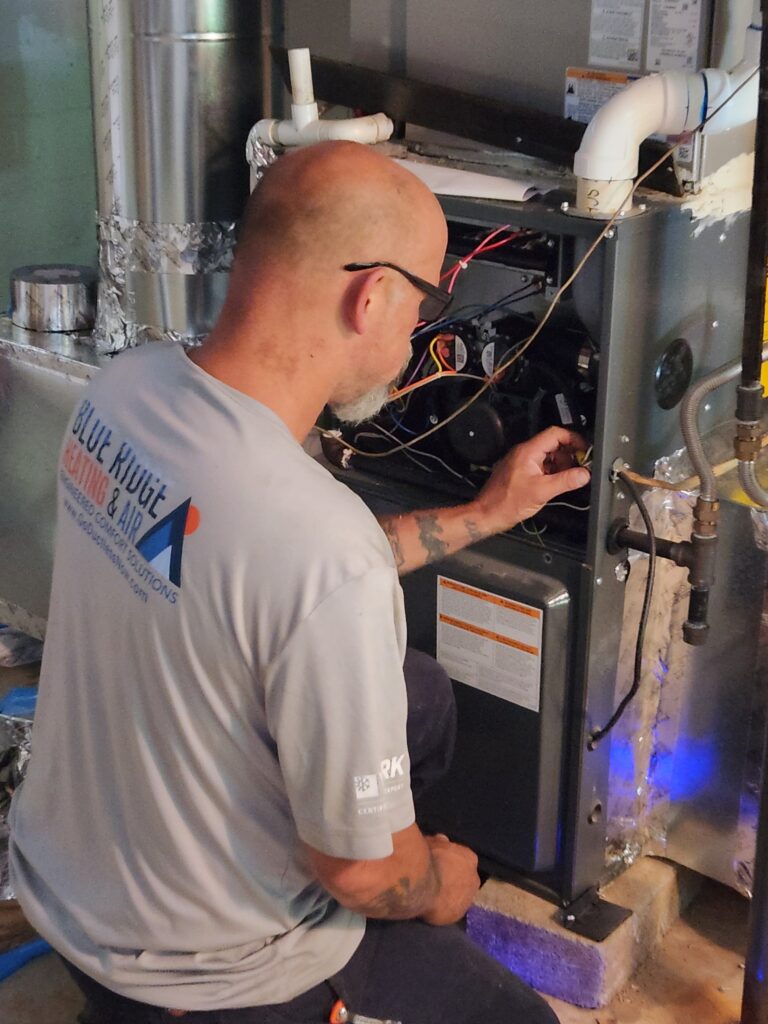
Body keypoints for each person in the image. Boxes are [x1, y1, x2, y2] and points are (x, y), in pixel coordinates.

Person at [9, 141, 589, 1023]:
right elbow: (360, 873)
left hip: (68, 888)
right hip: (204, 981)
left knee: (419, 697)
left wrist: (486, 513)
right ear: (372, 296)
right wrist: (436, 881)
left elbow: (263, 577)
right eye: (426, 302)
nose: (418, 332)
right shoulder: (320, 549)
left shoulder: (124, 390)